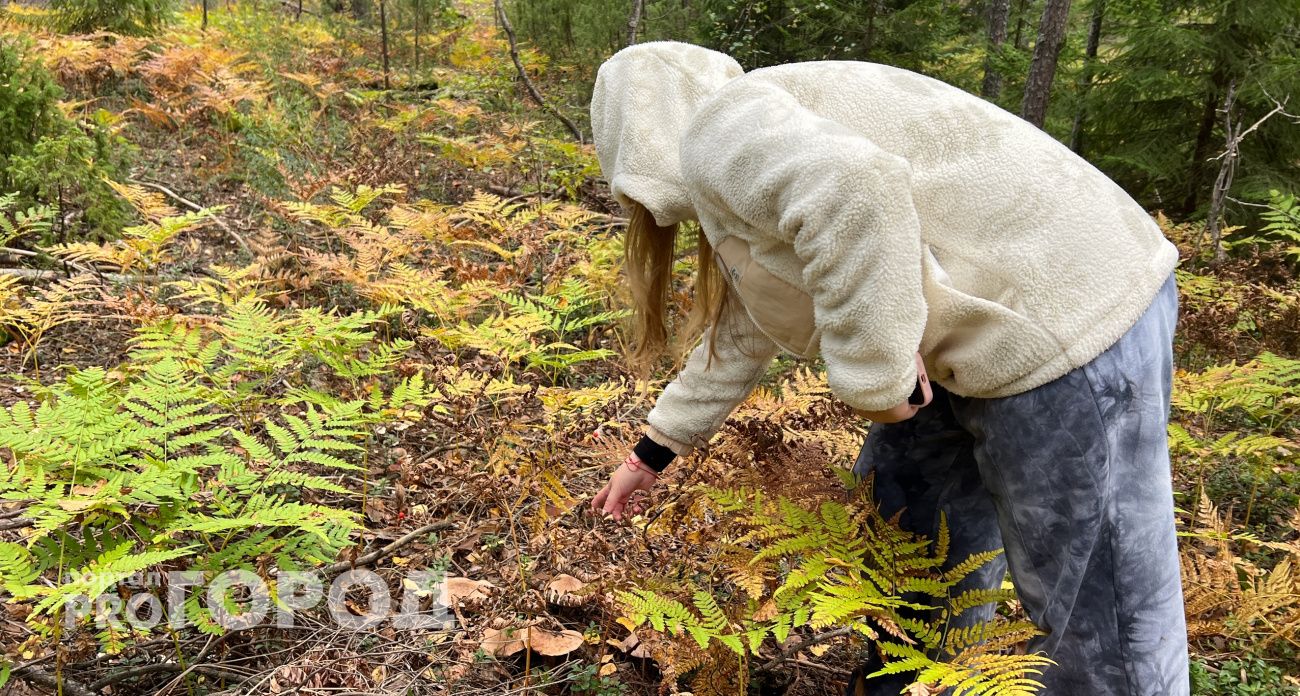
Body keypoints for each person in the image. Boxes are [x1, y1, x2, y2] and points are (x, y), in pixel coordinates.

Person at [586, 41, 1189, 695]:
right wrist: (653, 452)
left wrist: (873, 382)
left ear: (635, 136)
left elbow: (860, 186)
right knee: (903, 531)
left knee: (1104, 626)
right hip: (967, 337)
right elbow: (743, 328)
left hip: (1070, 315)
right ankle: (919, 684)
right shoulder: (752, 147)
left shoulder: (723, 126)